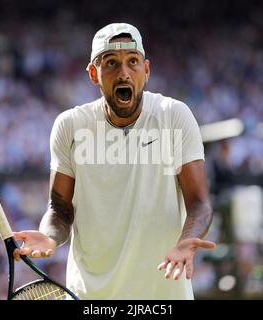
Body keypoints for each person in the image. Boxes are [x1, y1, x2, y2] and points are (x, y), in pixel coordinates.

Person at [12, 23, 216, 299]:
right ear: (94, 74)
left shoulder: (174, 116)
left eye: (132, 62)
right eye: (111, 63)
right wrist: (50, 236)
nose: (123, 73)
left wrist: (185, 243)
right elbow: (59, 209)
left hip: (163, 295)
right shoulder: (70, 125)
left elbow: (199, 203)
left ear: (146, 70)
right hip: (91, 296)